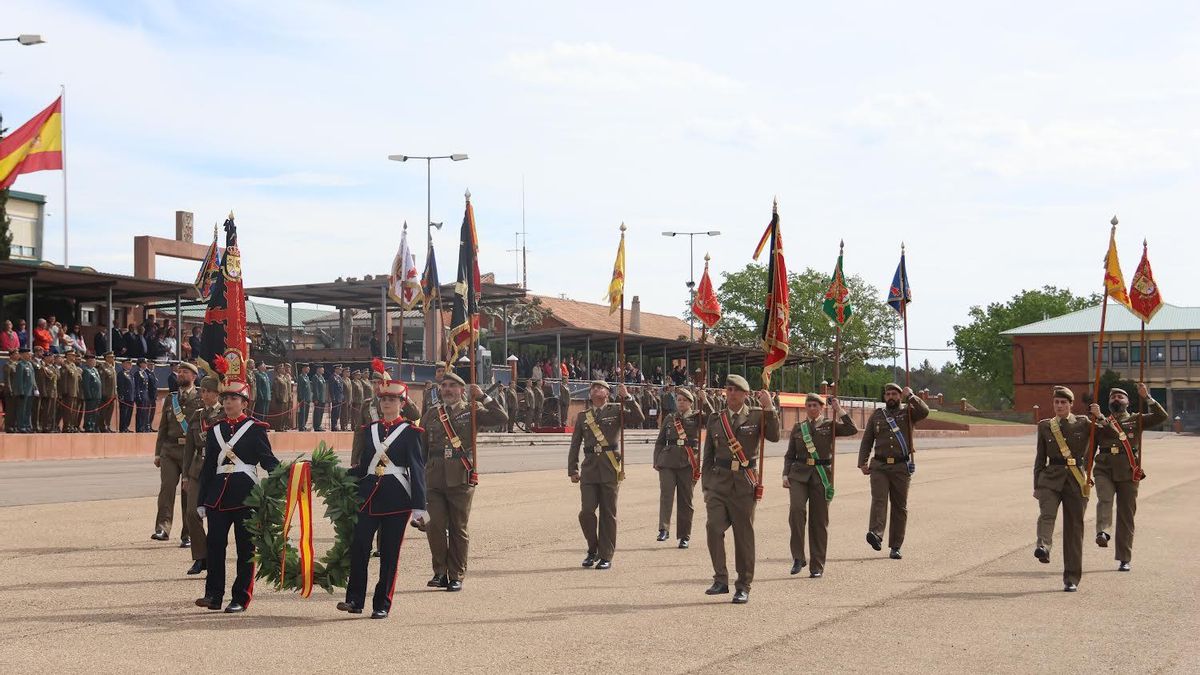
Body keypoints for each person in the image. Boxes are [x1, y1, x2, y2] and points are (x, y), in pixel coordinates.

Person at [340, 372, 426, 618]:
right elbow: (364, 466)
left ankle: (382, 604)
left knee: (389, 553)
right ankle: (355, 600)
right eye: (383, 399)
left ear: (402, 403)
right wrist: (335, 475)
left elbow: (417, 469)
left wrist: (420, 507)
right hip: (368, 496)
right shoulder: (370, 430)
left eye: (392, 399)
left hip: (397, 498)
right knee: (359, 548)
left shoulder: (410, 432)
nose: (387, 403)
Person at [194, 377, 279, 613]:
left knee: (245, 549)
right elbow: (209, 467)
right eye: (226, 398)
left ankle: (240, 597)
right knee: (215, 546)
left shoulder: (255, 429)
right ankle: (213, 595)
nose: (229, 402)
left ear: (244, 402)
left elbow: (268, 461)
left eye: (234, 398)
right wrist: (202, 500)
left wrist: (286, 475)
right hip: (218, 496)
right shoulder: (215, 431)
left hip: (246, 495)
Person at [419, 371, 507, 591]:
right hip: (433, 478)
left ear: (462, 390)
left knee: (458, 527)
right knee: (433, 525)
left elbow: (501, 418)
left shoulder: (472, 411)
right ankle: (439, 571)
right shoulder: (431, 413)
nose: (447, 389)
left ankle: (456, 574)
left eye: (452, 386)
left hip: (461, 476)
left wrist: (483, 397)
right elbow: (422, 449)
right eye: (444, 385)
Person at [701, 374, 780, 604]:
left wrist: (769, 407)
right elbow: (708, 456)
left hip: (744, 484)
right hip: (718, 483)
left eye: (737, 390)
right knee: (713, 528)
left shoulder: (757, 415)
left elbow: (774, 437)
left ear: (746, 394)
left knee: (743, 535)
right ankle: (720, 579)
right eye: (729, 389)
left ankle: (743, 584)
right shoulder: (716, 419)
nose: (731, 393)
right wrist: (706, 485)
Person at [567, 380, 644, 571]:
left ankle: (605, 555)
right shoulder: (584, 416)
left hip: (610, 467)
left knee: (608, 514)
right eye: (593, 387)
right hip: (590, 468)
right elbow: (575, 444)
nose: (595, 389)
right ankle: (592, 549)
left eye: (600, 387)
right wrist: (573, 469)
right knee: (586, 512)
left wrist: (628, 397)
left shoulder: (617, 410)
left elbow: (638, 418)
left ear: (608, 393)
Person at [1091, 383, 1168, 572]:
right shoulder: (1099, 422)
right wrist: (1085, 472)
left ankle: (1124, 558)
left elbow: (1162, 417)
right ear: (1108, 402)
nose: (1116, 399)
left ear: (1128, 402)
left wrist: (1147, 397)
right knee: (1105, 498)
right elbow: (1090, 449)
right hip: (1104, 469)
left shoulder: (1136, 419)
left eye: (1120, 397)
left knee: (1126, 516)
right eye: (1113, 397)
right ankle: (1103, 532)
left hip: (1128, 471)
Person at [783, 393, 857, 578]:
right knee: (796, 511)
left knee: (819, 521)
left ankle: (817, 565)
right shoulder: (799, 427)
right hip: (799, 474)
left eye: (815, 405)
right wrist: (785, 473)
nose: (812, 408)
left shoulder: (830, 425)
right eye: (809, 405)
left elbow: (852, 429)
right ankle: (798, 557)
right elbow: (790, 454)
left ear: (822, 407)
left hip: (821, 476)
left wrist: (838, 410)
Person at [1033, 386, 1096, 592]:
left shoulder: (1084, 423)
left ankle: (1071, 578)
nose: (1059, 406)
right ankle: (1043, 547)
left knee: (1074, 530)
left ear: (1070, 405)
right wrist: (1036, 486)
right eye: (1056, 402)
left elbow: (1107, 434)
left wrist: (1099, 416)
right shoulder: (1045, 426)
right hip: (1050, 479)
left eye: (1063, 403)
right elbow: (1040, 458)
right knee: (1047, 514)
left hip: (1076, 480)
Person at [858, 383, 929, 560]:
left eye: (895, 394)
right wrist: (862, 462)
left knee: (899, 507)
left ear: (900, 396)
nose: (891, 397)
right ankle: (876, 534)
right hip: (879, 466)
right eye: (888, 394)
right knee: (879, 501)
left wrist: (911, 396)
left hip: (900, 467)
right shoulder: (877, 415)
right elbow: (867, 439)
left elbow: (925, 411)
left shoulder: (909, 412)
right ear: (884, 397)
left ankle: (896, 546)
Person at [653, 387, 712, 548]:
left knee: (686, 500)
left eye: (684, 400)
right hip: (667, 461)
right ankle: (663, 529)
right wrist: (656, 459)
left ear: (691, 403)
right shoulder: (670, 418)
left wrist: (705, 400)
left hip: (688, 462)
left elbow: (714, 419)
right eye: (678, 400)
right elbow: (660, 440)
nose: (681, 403)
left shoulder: (698, 416)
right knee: (666, 496)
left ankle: (684, 535)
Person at [152, 362, 201, 544]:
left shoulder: (200, 398)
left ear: (193, 376)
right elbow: (162, 428)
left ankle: (188, 534)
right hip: (170, 451)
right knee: (167, 489)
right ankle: (162, 528)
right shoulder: (170, 399)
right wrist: (158, 453)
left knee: (188, 492)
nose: (180, 374)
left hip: (192, 452)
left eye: (185, 372)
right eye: (179, 372)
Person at [181, 376, 223, 575]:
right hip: (198, 469)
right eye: (203, 391)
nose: (204, 395)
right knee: (191, 513)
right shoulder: (197, 416)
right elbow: (189, 448)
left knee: (216, 516)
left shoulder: (225, 414)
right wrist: (185, 476)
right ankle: (200, 557)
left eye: (208, 391)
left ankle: (213, 558)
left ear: (217, 393)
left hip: (218, 469)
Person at [57, 349, 83, 433]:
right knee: (67, 411)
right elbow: (63, 380)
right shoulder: (65, 366)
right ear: (67, 356)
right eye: (72, 355)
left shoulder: (74, 366)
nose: (74, 357)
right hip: (68, 392)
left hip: (74, 392)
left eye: (74, 355)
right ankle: (66, 426)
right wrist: (64, 392)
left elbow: (77, 380)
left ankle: (71, 425)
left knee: (73, 411)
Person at [80, 353, 102, 432]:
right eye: (92, 360)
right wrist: (88, 395)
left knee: (95, 412)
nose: (94, 362)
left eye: (94, 360)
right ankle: (88, 425)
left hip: (97, 395)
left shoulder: (95, 370)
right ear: (88, 361)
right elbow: (86, 384)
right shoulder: (86, 370)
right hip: (91, 395)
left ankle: (93, 425)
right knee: (90, 411)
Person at [97, 352, 117, 432]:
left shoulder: (112, 368)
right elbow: (103, 382)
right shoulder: (103, 368)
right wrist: (103, 393)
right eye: (111, 357)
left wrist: (115, 393)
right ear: (106, 358)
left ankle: (107, 425)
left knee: (110, 411)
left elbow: (114, 383)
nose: (112, 359)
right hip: (106, 394)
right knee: (103, 411)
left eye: (113, 357)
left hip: (112, 394)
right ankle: (102, 426)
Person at [117, 359, 136, 432]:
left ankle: (126, 427)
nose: (130, 365)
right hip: (125, 397)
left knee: (129, 413)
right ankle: (122, 428)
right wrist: (121, 395)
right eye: (128, 363)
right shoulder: (121, 373)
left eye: (130, 364)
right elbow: (120, 386)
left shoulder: (130, 374)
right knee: (124, 413)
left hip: (131, 397)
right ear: (123, 364)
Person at [141, 359, 159, 432]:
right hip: (148, 396)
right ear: (147, 365)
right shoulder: (146, 373)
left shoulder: (152, 373)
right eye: (151, 365)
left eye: (153, 365)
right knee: (147, 412)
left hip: (153, 396)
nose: (152, 366)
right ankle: (146, 426)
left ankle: (150, 425)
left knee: (152, 412)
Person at [270, 363, 288, 432]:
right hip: (280, 398)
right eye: (281, 368)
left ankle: (282, 426)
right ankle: (278, 427)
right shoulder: (277, 378)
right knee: (280, 414)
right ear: (278, 370)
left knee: (284, 414)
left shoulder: (283, 377)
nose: (283, 369)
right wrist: (278, 397)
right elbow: (276, 389)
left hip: (285, 398)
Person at [328, 364, 345, 432]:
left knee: (338, 413)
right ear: (335, 369)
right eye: (339, 369)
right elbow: (331, 389)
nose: (340, 370)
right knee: (334, 412)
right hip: (335, 398)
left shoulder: (339, 378)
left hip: (340, 398)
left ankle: (336, 425)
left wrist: (342, 397)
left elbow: (341, 389)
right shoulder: (332, 377)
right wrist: (333, 398)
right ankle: (333, 425)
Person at [296, 363, 312, 431]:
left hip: (307, 398)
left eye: (308, 368)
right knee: (302, 413)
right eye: (307, 368)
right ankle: (301, 426)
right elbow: (299, 388)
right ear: (303, 369)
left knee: (306, 413)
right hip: (303, 398)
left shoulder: (307, 377)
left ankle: (304, 425)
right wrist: (300, 397)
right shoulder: (301, 377)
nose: (308, 369)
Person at [311, 364, 327, 431]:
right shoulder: (315, 377)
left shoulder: (321, 377)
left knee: (320, 413)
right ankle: (316, 426)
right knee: (317, 413)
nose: (323, 370)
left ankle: (319, 425)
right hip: (318, 398)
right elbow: (315, 389)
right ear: (318, 369)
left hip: (322, 398)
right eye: (321, 368)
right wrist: (316, 398)